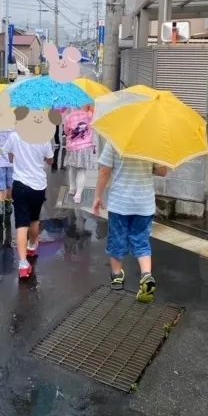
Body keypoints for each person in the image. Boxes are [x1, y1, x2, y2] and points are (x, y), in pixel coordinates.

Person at [93, 142, 167, 302]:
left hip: (120, 203)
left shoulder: (114, 140)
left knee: (117, 238)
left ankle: (117, 276)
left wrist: (97, 196)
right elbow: (163, 171)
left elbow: (104, 171)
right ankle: (146, 276)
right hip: (144, 203)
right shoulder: (152, 141)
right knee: (141, 241)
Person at [2, 131, 54, 278]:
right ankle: (31, 245)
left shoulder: (14, 135)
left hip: (20, 185)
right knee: (34, 219)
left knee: (21, 224)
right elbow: (50, 160)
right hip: (38, 186)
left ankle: (23, 264)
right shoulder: (43, 136)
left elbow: (10, 157)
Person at [64, 105, 95, 203]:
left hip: (72, 147)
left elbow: (66, 131)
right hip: (85, 147)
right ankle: (78, 195)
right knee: (82, 171)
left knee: (72, 168)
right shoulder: (90, 115)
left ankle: (72, 188)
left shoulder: (68, 117)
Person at [0, 129, 14, 250]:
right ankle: (8, 206)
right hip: (12, 163)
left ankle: (0, 209)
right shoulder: (14, 126)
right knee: (10, 186)